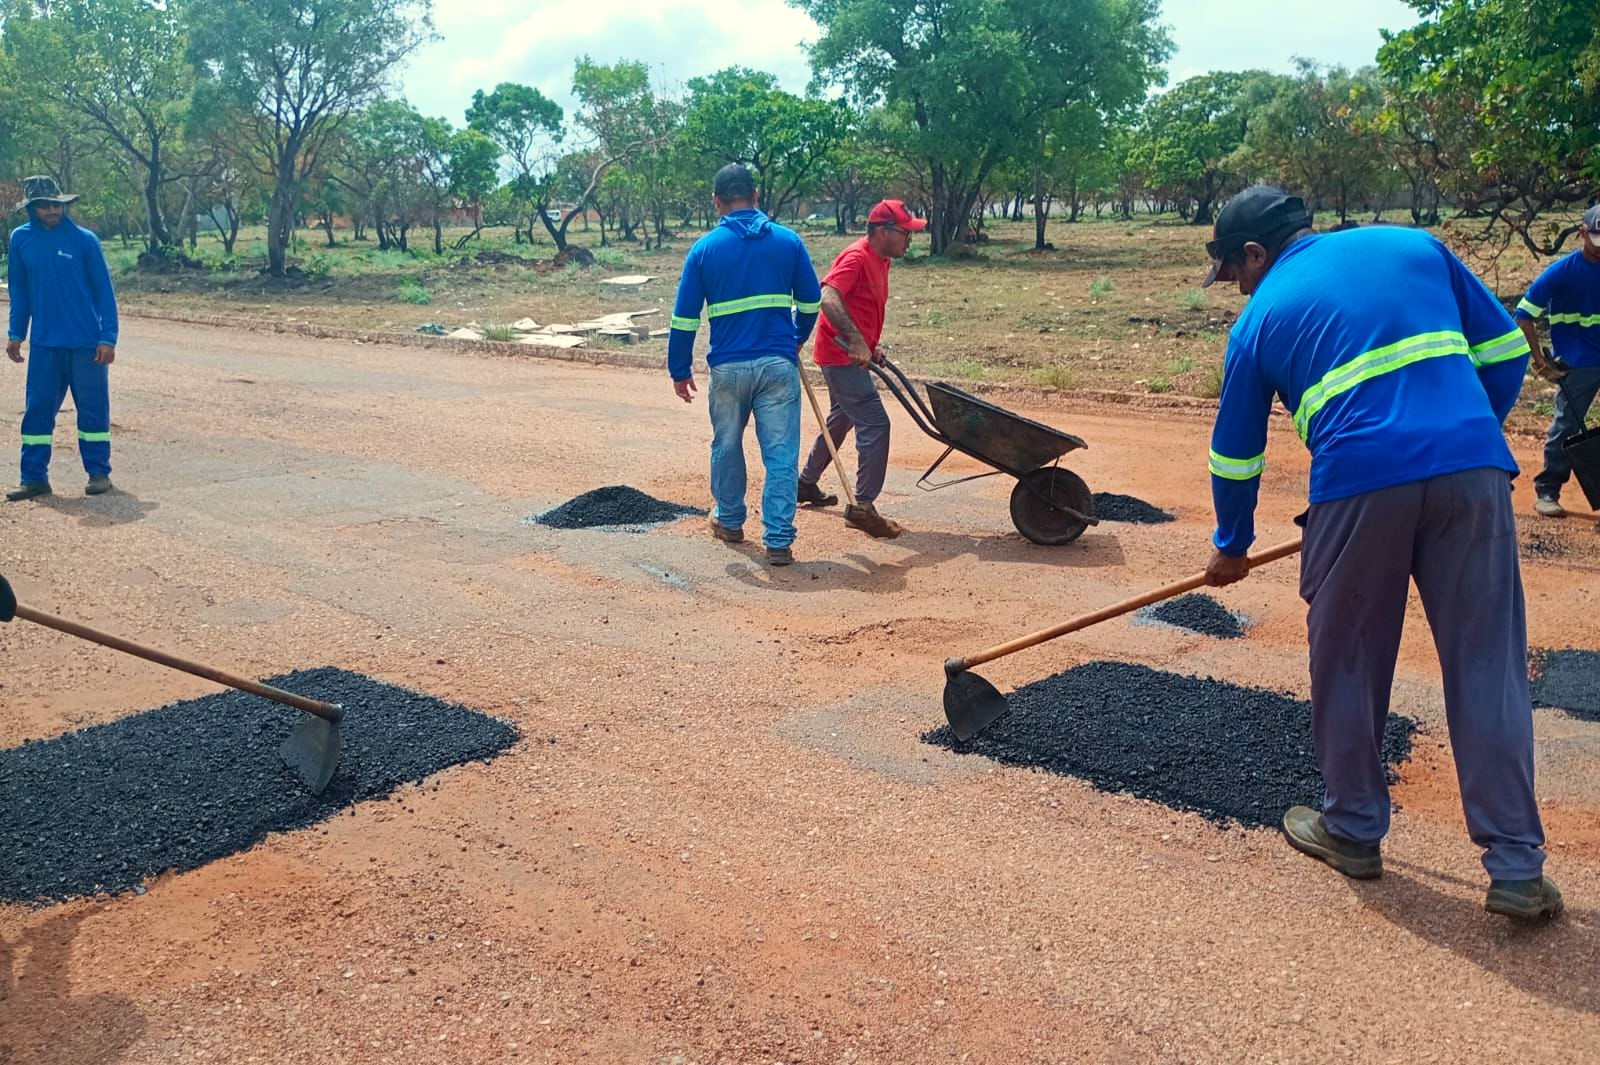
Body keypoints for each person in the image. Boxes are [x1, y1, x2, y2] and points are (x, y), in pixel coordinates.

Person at [1201, 185, 1560, 920]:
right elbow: (1504, 352)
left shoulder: (1259, 320)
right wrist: (1462, 439)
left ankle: (1353, 829)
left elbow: (1235, 456)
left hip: (1358, 484)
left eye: (1234, 272)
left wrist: (1231, 545)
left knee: (1349, 662)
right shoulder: (1414, 245)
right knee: (1487, 663)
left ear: (1255, 253)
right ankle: (1517, 867)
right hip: (1473, 474)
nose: (1236, 288)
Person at [668, 164, 821, 566]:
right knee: (781, 455)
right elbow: (811, 302)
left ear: (716, 202)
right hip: (777, 365)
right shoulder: (788, 242)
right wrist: (797, 336)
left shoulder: (704, 250)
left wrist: (679, 369)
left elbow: (684, 318)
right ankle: (778, 540)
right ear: (756, 197)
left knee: (727, 444)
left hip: (728, 369)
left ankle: (730, 520)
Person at [796, 199, 925, 539]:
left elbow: (860, 305)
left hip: (849, 353)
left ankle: (805, 483)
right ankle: (863, 507)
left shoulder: (882, 259)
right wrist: (855, 341)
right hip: (840, 356)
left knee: (842, 417)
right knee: (875, 423)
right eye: (905, 232)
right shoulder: (856, 258)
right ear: (882, 231)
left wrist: (869, 343)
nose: (909, 239)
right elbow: (828, 297)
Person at [6, 175, 120, 502]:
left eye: (57, 205)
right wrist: (16, 333)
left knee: (93, 411)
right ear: (31, 208)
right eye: (45, 206)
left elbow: (104, 293)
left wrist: (108, 338)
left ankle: (99, 473)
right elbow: (19, 291)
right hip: (45, 345)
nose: (53, 210)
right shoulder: (21, 240)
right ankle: (34, 478)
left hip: (87, 344)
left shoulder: (85, 241)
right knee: (38, 411)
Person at [1514, 203, 1600, 518]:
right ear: (1582, 233)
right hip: (1578, 363)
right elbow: (1523, 315)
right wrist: (1540, 360)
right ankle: (1548, 489)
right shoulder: (1562, 272)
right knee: (1566, 426)